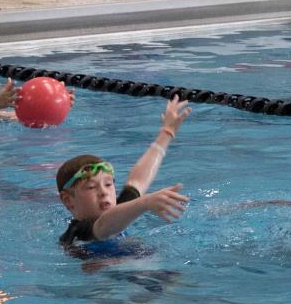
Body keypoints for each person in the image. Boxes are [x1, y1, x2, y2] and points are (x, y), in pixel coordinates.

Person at [55, 97, 192, 249]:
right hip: (110, 271)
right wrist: (145, 202)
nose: (103, 192)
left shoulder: (120, 210)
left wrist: (167, 132)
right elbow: (104, 226)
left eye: (108, 184)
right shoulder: (78, 231)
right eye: (91, 187)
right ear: (68, 200)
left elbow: (137, 181)